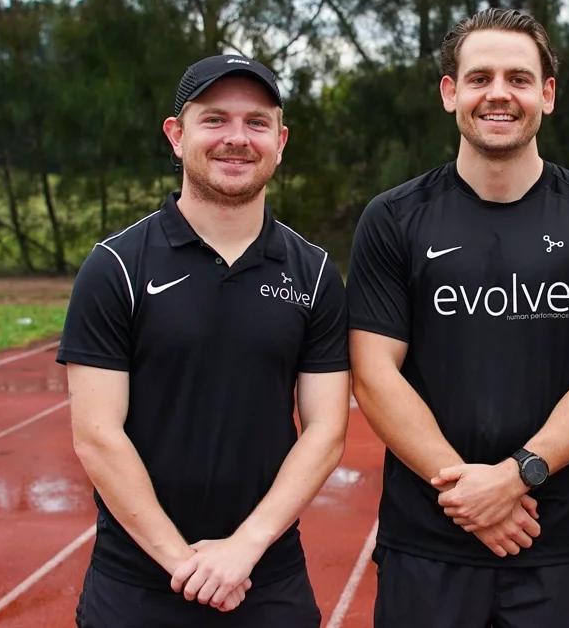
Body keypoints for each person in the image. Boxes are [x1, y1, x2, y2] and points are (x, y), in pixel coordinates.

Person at [345, 7, 569, 627]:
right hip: (427, 542)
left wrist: (516, 477)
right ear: (451, 94)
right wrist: (467, 493)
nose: (499, 94)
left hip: (557, 543)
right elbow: (375, 374)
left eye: (518, 77)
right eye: (480, 78)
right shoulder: (393, 219)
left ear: (548, 94)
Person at [57, 54, 351, 627]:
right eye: (214, 119)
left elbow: (326, 430)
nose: (236, 138)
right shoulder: (114, 267)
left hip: (266, 575)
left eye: (256, 122)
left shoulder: (314, 274)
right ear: (177, 135)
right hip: (137, 579)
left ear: (280, 140)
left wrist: (244, 548)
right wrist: (183, 562)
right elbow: (97, 435)